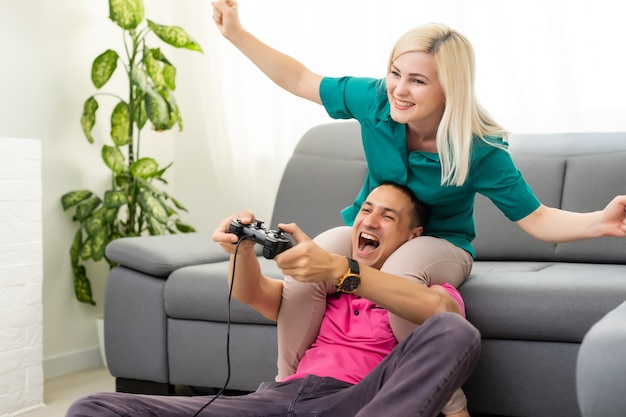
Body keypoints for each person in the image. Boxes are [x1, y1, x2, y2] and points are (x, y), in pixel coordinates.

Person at [211, 2, 626, 414]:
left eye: (417, 81)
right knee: (314, 255)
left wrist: (598, 222)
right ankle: (289, 386)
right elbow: (302, 78)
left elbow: (536, 217)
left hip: (441, 244)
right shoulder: (374, 101)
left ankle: (449, 402)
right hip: (373, 226)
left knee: (400, 273)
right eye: (395, 74)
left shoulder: (479, 149)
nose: (398, 89)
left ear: (450, 88)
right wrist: (238, 35)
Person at [66, 182, 481, 417]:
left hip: (357, 402)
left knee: (453, 331)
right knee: (92, 408)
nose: (370, 220)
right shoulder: (320, 290)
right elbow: (256, 295)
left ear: (413, 237)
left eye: (388, 216)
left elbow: (446, 322)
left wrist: (349, 275)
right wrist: (241, 250)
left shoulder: (421, 290)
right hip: (277, 400)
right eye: (366, 210)